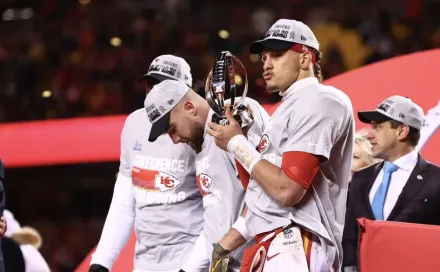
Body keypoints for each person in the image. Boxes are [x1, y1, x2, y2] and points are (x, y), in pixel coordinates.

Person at [206, 18, 355, 271]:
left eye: (276, 55)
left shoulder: (321, 100)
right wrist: (226, 244)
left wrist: (237, 143)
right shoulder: (287, 108)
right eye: (263, 58)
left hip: (299, 242)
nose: (266, 65)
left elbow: (288, 190)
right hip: (274, 240)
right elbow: (261, 194)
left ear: (305, 59)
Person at [90, 55, 204, 272]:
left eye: (162, 85)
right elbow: (124, 203)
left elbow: (216, 211)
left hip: (189, 258)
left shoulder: (198, 131)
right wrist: (101, 262)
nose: (154, 92)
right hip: (145, 263)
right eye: (150, 84)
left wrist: (191, 269)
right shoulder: (134, 124)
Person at [144, 79, 270, 271]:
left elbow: (269, 189)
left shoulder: (234, 115)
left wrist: (225, 245)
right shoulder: (200, 140)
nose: (175, 139)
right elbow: (216, 222)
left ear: (189, 107)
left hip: (265, 260)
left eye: (172, 129)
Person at [342, 95, 440, 272]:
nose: (370, 134)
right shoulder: (361, 178)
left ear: (401, 131)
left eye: (377, 127)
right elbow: (351, 237)